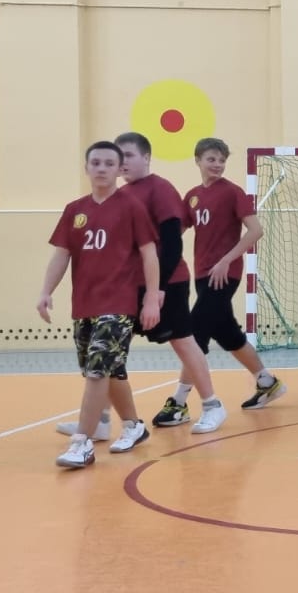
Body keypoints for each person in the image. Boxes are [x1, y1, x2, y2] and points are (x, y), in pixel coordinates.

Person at [39, 140, 160, 468]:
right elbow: (62, 254)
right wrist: (46, 291)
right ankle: (133, 426)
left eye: (109, 163)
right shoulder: (75, 210)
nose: (102, 168)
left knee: (97, 371)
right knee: (110, 371)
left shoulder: (132, 206)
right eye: (96, 163)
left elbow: (149, 253)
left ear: (119, 169)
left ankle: (82, 443)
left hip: (118, 304)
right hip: (84, 305)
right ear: (87, 168)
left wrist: (152, 297)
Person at [115, 132, 227, 434]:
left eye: (129, 155)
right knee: (113, 347)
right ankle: (99, 419)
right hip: (130, 285)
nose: (122, 162)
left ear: (146, 157)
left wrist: (158, 288)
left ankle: (212, 405)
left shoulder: (160, 189)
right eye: (119, 156)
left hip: (169, 282)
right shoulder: (120, 195)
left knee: (184, 342)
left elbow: (173, 243)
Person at [178, 138, 287, 409]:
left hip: (224, 273)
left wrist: (226, 260)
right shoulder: (192, 196)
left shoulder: (232, 192)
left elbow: (256, 230)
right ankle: (267, 382)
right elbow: (176, 231)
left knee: (196, 332)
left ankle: (178, 402)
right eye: (211, 159)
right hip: (202, 273)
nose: (217, 164)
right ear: (198, 160)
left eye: (222, 160)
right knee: (227, 333)